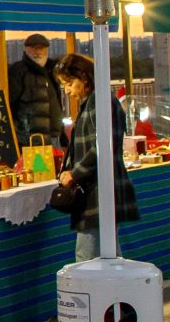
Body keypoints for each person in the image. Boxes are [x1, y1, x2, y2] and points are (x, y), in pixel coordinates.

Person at [53, 52, 137, 260]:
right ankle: (114, 293)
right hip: (96, 190)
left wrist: (75, 173)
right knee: (107, 255)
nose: (67, 90)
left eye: (69, 83)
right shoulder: (93, 101)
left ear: (84, 77)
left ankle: (102, 293)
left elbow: (104, 146)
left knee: (89, 258)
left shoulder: (99, 102)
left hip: (98, 191)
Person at [9, 35, 67, 153]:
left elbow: (56, 104)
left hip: (53, 138)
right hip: (29, 141)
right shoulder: (18, 71)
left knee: (54, 170)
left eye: (41, 48)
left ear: (47, 50)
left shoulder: (52, 71)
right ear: (26, 49)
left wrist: (62, 135)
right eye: (34, 48)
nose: (38, 52)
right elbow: (10, 102)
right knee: (36, 171)